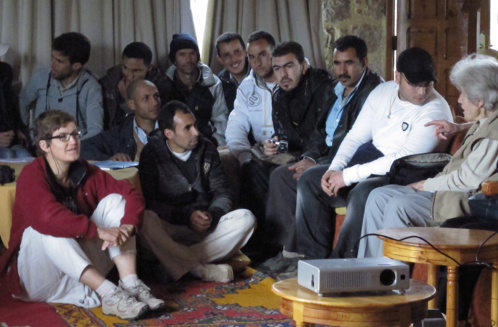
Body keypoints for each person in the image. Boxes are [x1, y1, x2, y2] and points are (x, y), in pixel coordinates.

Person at [294, 47, 454, 265]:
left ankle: (342, 265)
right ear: (397, 77)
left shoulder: (435, 110)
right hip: (369, 162)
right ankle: (313, 262)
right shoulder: (382, 92)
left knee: (364, 193)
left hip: (403, 173)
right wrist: (335, 168)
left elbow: (400, 159)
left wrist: (347, 176)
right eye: (414, 84)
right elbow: (356, 136)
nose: (422, 92)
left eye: (428, 84)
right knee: (310, 180)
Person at [0, 110, 164, 320]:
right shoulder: (32, 175)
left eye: (75, 134)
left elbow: (129, 193)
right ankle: (110, 294)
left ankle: (130, 285)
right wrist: (97, 230)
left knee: (116, 201)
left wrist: (128, 226)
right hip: (37, 278)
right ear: (44, 145)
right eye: (63, 137)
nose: (73, 141)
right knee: (45, 229)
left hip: (77, 270)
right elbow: (46, 217)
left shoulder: (84, 170)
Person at [259, 36, 383, 269]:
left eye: (349, 63)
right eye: (337, 63)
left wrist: (319, 163)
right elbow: (320, 132)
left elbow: (355, 143)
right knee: (281, 175)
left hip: (351, 163)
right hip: (326, 157)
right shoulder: (336, 90)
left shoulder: (372, 93)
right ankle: (290, 252)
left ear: (364, 62)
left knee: (305, 177)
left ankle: (311, 258)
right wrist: (310, 157)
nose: (342, 70)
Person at [357, 54, 498, 258]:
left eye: (464, 94)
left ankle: (389, 278)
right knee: (378, 196)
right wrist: (458, 127)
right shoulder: (486, 119)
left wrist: (426, 184)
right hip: (445, 191)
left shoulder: (493, 135)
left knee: (400, 206)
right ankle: (366, 271)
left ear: (481, 101)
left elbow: (467, 180)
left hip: (457, 201)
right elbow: (482, 124)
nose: (459, 100)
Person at [137, 100, 256, 283]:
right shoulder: (152, 153)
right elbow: (150, 201)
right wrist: (185, 216)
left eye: (195, 125)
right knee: (143, 220)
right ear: (169, 133)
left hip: (205, 228)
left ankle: (173, 265)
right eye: (187, 128)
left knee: (247, 219)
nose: (196, 132)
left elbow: (222, 192)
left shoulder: (207, 148)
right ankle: (199, 269)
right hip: (171, 227)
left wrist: (212, 215)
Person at [19, 32, 104, 140]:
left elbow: (95, 130)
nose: (52, 64)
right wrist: (25, 132)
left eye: (59, 61)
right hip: (40, 146)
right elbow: (22, 101)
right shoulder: (40, 77)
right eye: (52, 58)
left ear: (76, 65)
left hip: (73, 150)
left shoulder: (91, 87)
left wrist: (71, 146)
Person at [166, 33, 228, 146]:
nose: (188, 59)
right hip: (176, 145)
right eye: (182, 54)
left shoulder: (213, 84)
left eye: (192, 53)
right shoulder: (165, 85)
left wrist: (216, 143)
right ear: (174, 59)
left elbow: (221, 120)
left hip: (208, 143)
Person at [225, 30, 277, 165]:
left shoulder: (289, 80)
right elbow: (236, 126)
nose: (257, 63)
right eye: (252, 57)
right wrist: (245, 158)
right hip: (263, 155)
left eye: (262, 55)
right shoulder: (246, 87)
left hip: (293, 152)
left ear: (274, 53)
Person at [81, 79, 160, 161]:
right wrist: (110, 161)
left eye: (156, 96)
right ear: (131, 104)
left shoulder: (170, 127)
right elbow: (84, 147)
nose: (155, 102)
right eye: (146, 98)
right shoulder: (121, 132)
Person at [100, 42, 171, 129]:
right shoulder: (109, 82)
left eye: (136, 71)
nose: (129, 76)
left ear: (149, 68)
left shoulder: (161, 86)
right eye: (125, 68)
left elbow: (150, 124)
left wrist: (127, 99)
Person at [0, 44, 32, 158]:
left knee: (28, 160)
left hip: (11, 140)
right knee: (8, 156)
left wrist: (18, 129)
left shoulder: (4, 75)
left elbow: (10, 108)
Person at [216, 32, 250, 112]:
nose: (234, 59)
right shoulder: (219, 83)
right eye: (227, 55)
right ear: (220, 60)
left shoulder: (260, 75)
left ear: (246, 53)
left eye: (237, 52)